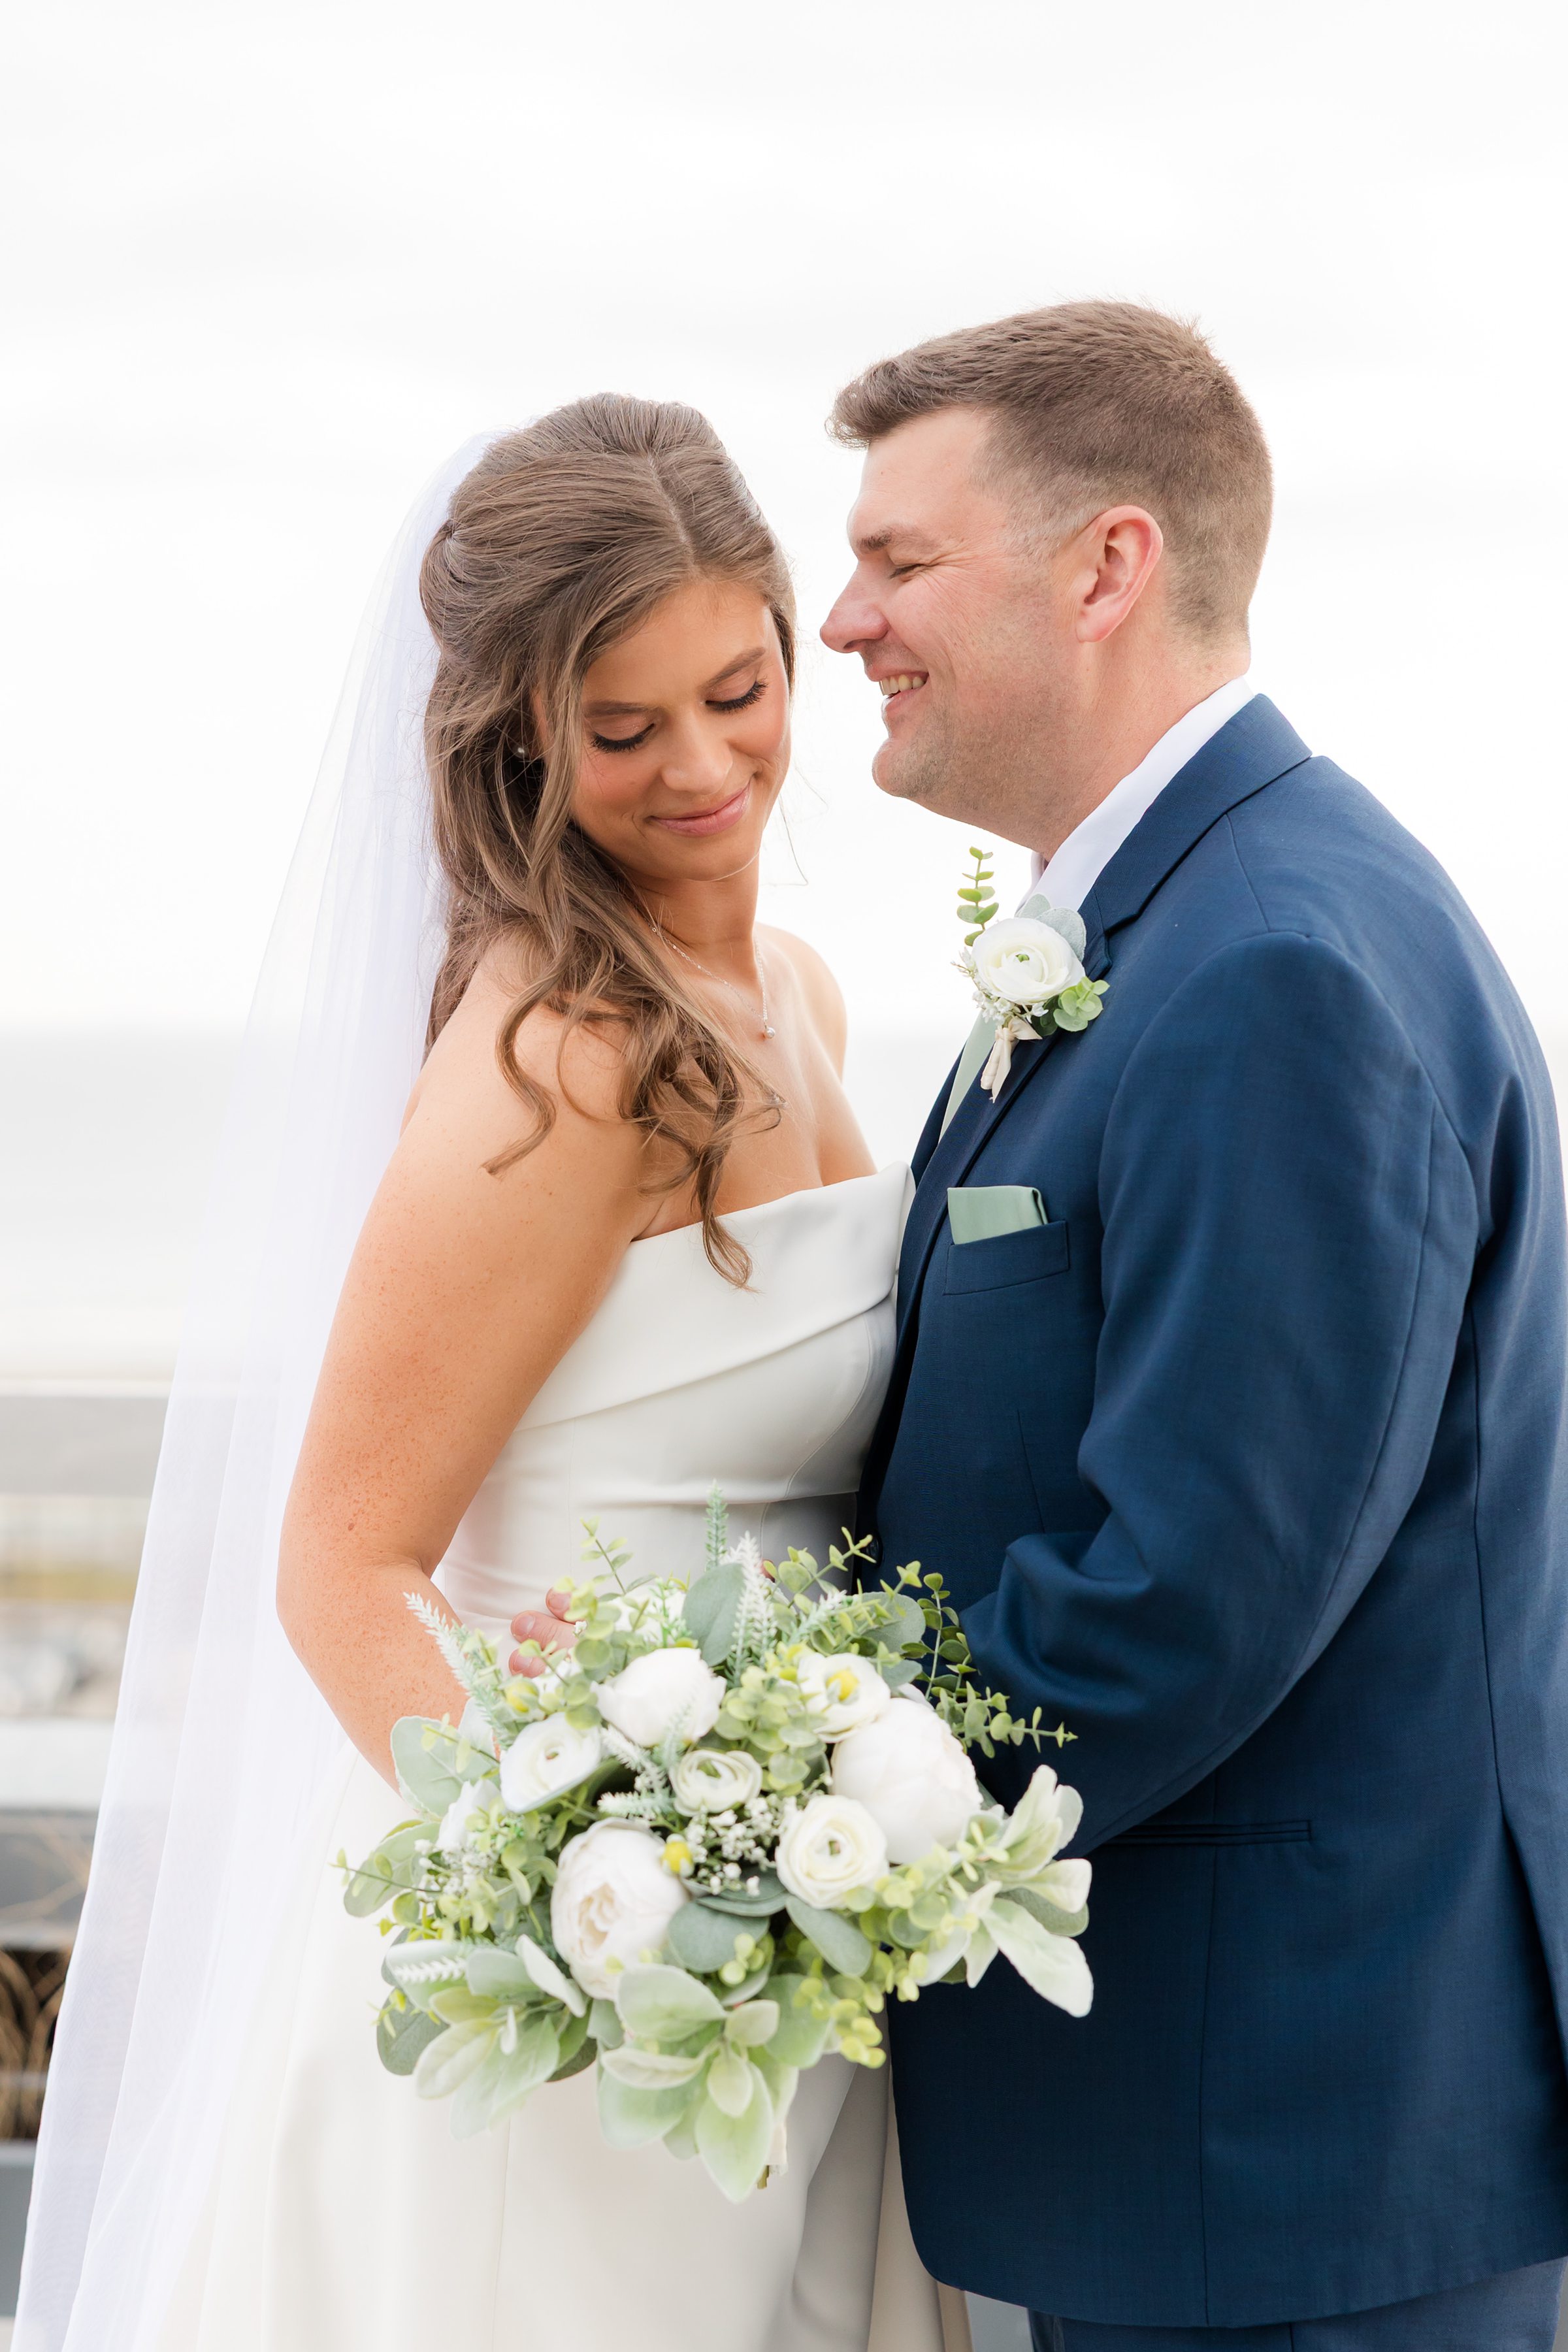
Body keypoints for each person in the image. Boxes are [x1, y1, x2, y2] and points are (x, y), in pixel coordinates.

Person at [20, 400, 962, 2352]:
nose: (705, 767)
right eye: (624, 733)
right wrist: (595, 1893)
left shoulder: (794, 990)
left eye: (738, 689)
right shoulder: (563, 1058)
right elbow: (345, 1561)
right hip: (577, 1991)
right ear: (525, 737)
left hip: (792, 1923)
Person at [820, 302, 1568, 2351]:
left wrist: (807, 1827)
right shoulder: (1174, 927)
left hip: (1282, 2150)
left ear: (1108, 564)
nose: (839, 621)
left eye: (897, 561)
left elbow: (1188, 1594)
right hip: (1199, 2142)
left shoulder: (1277, 967)